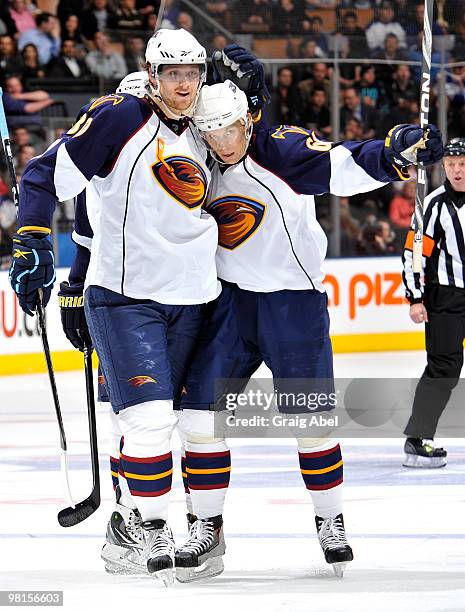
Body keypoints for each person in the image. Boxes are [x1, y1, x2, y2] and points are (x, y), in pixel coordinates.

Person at [172, 81, 443, 581]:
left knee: (311, 422)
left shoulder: (281, 149)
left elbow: (344, 163)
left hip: (292, 304)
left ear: (247, 119)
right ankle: (206, 526)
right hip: (228, 301)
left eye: (230, 129)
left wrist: (394, 151)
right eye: (211, 132)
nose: (223, 142)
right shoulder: (194, 154)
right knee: (198, 415)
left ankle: (330, 519)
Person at [9, 28, 217, 587]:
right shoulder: (118, 118)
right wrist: (33, 242)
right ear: (150, 74)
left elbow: (263, 153)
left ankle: (148, 522)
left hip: (195, 295)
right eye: (171, 73)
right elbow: (49, 181)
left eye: (191, 73)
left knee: (189, 422)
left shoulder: (206, 118)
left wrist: (257, 92)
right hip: (125, 296)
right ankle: (147, 524)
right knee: (147, 418)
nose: (183, 84)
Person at [402, 138, 465, 468]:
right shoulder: (434, 206)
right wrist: (415, 297)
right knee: (443, 368)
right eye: (451, 164)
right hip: (447, 298)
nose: (456, 170)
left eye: (462, 163)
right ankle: (418, 438)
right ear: (443, 167)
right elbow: (414, 255)